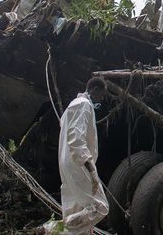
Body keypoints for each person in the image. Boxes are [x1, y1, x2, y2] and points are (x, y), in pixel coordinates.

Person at [58, 77, 109, 234]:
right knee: (100, 207)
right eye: (102, 95)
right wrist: (91, 170)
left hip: (67, 162)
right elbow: (76, 139)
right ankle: (55, 230)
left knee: (77, 207)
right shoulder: (84, 105)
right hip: (78, 163)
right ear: (94, 90)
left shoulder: (72, 105)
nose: (102, 99)